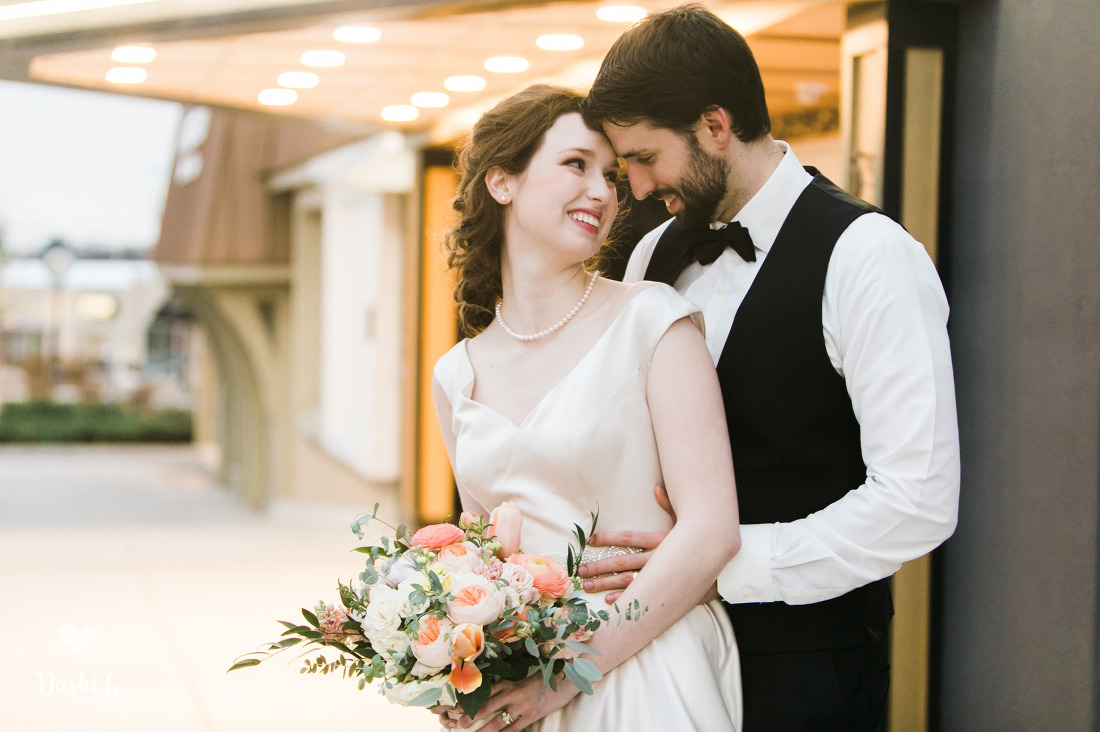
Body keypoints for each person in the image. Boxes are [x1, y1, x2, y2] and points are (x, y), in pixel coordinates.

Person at [576, 5, 961, 730]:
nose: (632, 188)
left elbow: (918, 499)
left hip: (806, 669)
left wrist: (724, 562)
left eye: (645, 158)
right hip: (659, 660)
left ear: (715, 125)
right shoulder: (651, 255)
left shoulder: (869, 256)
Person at [430, 84, 744, 731]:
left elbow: (712, 531)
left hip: (645, 665)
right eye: (576, 165)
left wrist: (571, 672)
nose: (603, 191)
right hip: (523, 684)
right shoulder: (455, 374)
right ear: (502, 182)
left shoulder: (655, 321)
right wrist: (454, 663)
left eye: (610, 174)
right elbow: (487, 554)